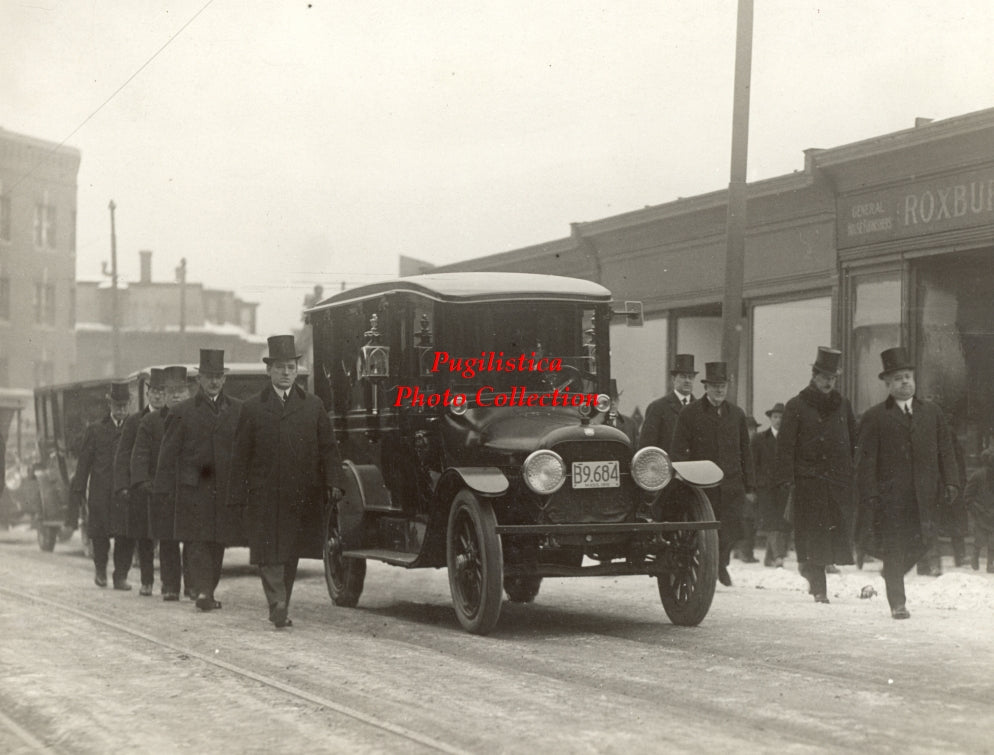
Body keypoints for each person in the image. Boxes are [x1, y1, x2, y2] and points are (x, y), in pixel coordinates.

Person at [229, 335, 345, 629]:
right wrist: (235, 495)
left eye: (290, 367)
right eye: (279, 367)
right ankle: (277, 602)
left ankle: (282, 602)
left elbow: (328, 448)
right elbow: (239, 455)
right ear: (268, 371)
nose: (285, 373)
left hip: (300, 493)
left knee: (290, 551)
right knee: (268, 552)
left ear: (297, 371)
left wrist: (334, 481)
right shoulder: (252, 408)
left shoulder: (312, 406)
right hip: (263, 494)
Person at [855, 347, 959, 620]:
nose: (905, 382)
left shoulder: (932, 413)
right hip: (891, 498)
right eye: (898, 378)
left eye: (908, 377)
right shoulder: (875, 417)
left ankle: (891, 571)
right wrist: (871, 494)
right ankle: (897, 603)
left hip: (925, 495)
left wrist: (952, 482)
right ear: (887, 384)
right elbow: (866, 462)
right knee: (895, 547)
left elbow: (946, 450)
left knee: (925, 541)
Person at [156, 349, 244, 612]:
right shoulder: (182, 412)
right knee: (196, 542)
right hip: (193, 490)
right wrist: (163, 490)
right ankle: (203, 591)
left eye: (218, 376)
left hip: (222, 489)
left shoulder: (238, 410)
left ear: (224, 379)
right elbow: (168, 454)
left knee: (217, 542)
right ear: (199, 380)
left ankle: (208, 589)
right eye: (209, 377)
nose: (214, 382)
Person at [775, 348, 856, 603]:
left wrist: (851, 472)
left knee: (829, 537)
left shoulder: (843, 405)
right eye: (823, 376)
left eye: (832, 377)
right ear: (813, 375)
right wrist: (788, 479)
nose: (828, 381)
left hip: (836, 482)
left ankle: (810, 570)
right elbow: (785, 446)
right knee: (816, 536)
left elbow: (854, 440)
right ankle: (820, 588)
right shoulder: (796, 405)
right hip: (808, 482)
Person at [671, 361, 755, 587]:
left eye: (723, 385)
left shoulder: (736, 414)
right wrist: (684, 478)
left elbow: (745, 450)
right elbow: (678, 449)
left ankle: (720, 564)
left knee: (730, 530)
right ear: (706, 387)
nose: (719, 390)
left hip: (731, 484)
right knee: (706, 531)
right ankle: (708, 567)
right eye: (715, 385)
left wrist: (750, 485)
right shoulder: (690, 413)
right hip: (703, 485)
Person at [133, 365, 190, 601]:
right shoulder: (152, 421)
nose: (176, 395)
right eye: (171, 390)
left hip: (191, 488)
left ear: (189, 391)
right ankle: (170, 585)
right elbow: (141, 454)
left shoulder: (196, 417)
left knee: (193, 540)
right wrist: (145, 483)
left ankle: (194, 585)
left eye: (181, 390)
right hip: (163, 490)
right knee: (167, 539)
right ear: (163, 393)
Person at [70, 381, 130, 588]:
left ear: (129, 405)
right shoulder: (95, 430)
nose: (121, 410)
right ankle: (101, 571)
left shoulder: (135, 428)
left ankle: (121, 576)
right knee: (100, 536)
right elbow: (84, 464)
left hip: (125, 493)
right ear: (110, 405)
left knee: (125, 536)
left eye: (124, 406)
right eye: (117, 406)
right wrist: (78, 490)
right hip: (100, 493)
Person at [113, 369, 165, 596]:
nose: (157, 396)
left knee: (165, 537)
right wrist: (124, 485)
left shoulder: (173, 419)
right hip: (140, 488)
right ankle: (145, 581)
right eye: (154, 392)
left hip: (163, 486)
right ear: (148, 393)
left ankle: (170, 583)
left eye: (162, 392)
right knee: (142, 536)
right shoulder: (135, 421)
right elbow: (123, 455)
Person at [639, 354, 697, 452]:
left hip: (694, 466)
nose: (687, 381)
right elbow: (647, 446)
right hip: (668, 465)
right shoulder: (658, 407)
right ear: (674, 379)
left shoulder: (700, 408)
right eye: (683, 376)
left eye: (690, 377)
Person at [754, 402, 789, 568]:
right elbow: (753, 464)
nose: (778, 421)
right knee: (772, 521)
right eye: (775, 417)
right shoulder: (760, 438)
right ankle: (779, 556)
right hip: (765, 488)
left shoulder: (791, 440)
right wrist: (752, 487)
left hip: (784, 487)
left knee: (781, 522)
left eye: (781, 417)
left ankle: (770, 557)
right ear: (770, 418)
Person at [964, 447, 994, 572]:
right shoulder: (977, 475)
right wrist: (976, 509)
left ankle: (990, 563)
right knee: (980, 537)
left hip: (993, 512)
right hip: (981, 512)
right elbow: (967, 496)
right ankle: (975, 556)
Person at [604, 379, 638, 445]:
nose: (613, 402)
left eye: (615, 399)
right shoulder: (597, 424)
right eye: (609, 399)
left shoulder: (630, 424)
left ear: (619, 400)